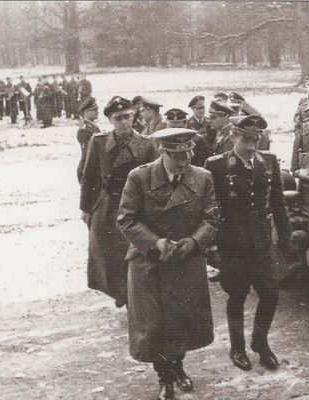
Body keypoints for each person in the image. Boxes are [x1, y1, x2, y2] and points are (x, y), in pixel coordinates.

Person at [117, 128, 218, 400]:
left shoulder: (203, 177)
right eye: (177, 157)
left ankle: (178, 367)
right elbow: (126, 219)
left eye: (187, 156)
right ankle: (165, 377)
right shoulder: (139, 177)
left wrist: (194, 242)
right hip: (149, 261)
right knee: (154, 325)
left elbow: (211, 219)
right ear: (163, 152)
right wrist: (157, 243)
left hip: (186, 260)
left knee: (182, 322)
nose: (184, 163)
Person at [204, 115, 293, 371]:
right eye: (246, 139)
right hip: (232, 245)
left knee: (270, 293)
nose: (252, 145)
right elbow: (209, 209)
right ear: (234, 136)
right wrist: (212, 248)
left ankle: (260, 343)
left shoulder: (269, 161)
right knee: (237, 296)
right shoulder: (217, 165)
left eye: (256, 139)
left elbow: (278, 203)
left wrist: (286, 239)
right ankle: (237, 348)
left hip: (262, 243)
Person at [80, 96, 158, 308]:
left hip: (135, 206)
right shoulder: (98, 142)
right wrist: (86, 208)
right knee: (107, 252)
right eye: (118, 118)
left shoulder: (147, 144)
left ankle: (131, 291)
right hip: (107, 206)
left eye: (127, 117)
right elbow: (89, 177)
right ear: (110, 120)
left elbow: (154, 181)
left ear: (133, 117)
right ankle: (119, 290)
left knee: (135, 251)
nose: (123, 122)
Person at [76, 97, 100, 184]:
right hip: (87, 170)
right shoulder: (84, 130)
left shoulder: (93, 127)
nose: (97, 112)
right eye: (95, 109)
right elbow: (88, 153)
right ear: (87, 112)